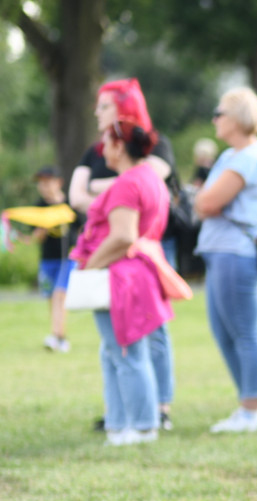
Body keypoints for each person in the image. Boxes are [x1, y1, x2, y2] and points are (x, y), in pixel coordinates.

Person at [68, 78, 176, 432]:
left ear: (118, 145)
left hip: (123, 273)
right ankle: (121, 422)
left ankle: (142, 424)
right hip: (138, 269)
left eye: (106, 144)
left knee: (126, 351)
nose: (101, 149)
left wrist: (90, 266)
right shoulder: (147, 177)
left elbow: (123, 236)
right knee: (120, 351)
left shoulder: (129, 183)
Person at [194, 86, 257, 433]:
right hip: (219, 251)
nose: (215, 118)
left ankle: (250, 410)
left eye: (220, 112)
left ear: (240, 117)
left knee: (244, 331)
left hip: (235, 253)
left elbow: (208, 203)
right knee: (223, 332)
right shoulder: (231, 156)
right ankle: (245, 405)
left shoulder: (248, 157)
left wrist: (200, 199)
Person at [31, 166, 77, 352]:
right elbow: (35, 236)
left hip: (68, 258)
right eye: (41, 183)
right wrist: (42, 228)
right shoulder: (39, 206)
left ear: (59, 182)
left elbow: (81, 227)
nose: (44, 187)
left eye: (48, 182)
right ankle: (57, 335)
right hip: (48, 258)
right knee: (52, 298)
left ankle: (58, 336)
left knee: (60, 294)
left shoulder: (69, 205)